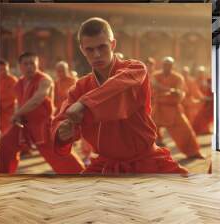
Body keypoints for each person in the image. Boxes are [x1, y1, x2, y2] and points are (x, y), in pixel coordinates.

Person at [50, 17, 187, 174]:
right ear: (82, 49)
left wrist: (84, 104)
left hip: (146, 160)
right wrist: (62, 132)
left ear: (113, 44)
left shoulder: (135, 70)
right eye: (90, 49)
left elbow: (117, 88)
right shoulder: (81, 86)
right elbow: (61, 119)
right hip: (105, 164)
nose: (96, 54)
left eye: (102, 47)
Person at [0, 53, 84, 174]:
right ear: (20, 66)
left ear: (37, 64)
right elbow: (18, 102)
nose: (29, 67)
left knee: (59, 155)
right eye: (25, 64)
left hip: (43, 125)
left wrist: (17, 114)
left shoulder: (45, 80)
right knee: (5, 143)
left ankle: (80, 175)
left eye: (32, 63)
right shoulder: (19, 84)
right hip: (25, 125)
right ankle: (3, 174)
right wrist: (17, 114)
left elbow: (37, 99)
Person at [152, 57, 203, 159]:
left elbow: (181, 92)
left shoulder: (178, 77)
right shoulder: (155, 75)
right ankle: (144, 157)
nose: (167, 67)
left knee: (186, 130)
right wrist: (168, 89)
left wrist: (176, 92)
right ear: (162, 65)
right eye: (165, 64)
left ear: (172, 66)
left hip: (173, 109)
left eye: (169, 65)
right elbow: (152, 86)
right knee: (146, 130)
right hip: (158, 108)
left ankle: (193, 152)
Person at [0, 60, 18, 135]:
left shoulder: (13, 80)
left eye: (6, 70)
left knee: (8, 134)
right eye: (1, 70)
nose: (4, 72)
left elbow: (13, 97)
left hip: (9, 112)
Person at [193, 66, 213, 135]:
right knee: (199, 116)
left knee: (206, 117)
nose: (201, 74)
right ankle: (198, 130)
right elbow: (195, 91)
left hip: (207, 101)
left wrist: (207, 98)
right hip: (198, 101)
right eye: (199, 73)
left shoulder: (207, 80)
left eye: (202, 73)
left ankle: (205, 130)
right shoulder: (195, 81)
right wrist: (202, 97)